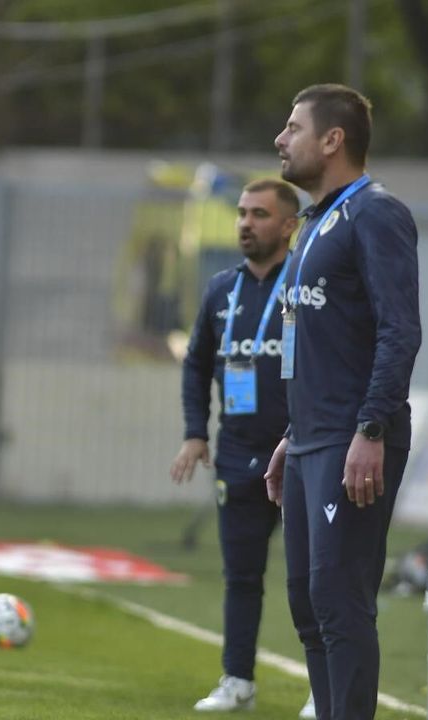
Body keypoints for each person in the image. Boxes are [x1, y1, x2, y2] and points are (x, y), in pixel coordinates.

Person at [264, 84, 420, 720]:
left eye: (293, 127)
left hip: (353, 436)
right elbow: (317, 341)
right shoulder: (313, 223)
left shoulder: (375, 214)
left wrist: (372, 427)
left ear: (333, 140)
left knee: (338, 599)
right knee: (307, 604)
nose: (280, 139)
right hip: (311, 438)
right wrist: (292, 433)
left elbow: (399, 330)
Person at [171, 179, 318, 717]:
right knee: (240, 577)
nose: (246, 223)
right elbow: (195, 364)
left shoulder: (307, 286)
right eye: (241, 213)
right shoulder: (220, 290)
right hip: (236, 455)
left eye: (260, 214)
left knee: (312, 580)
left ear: (289, 225)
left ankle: (324, 689)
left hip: (302, 454)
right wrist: (195, 432)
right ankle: (237, 680)